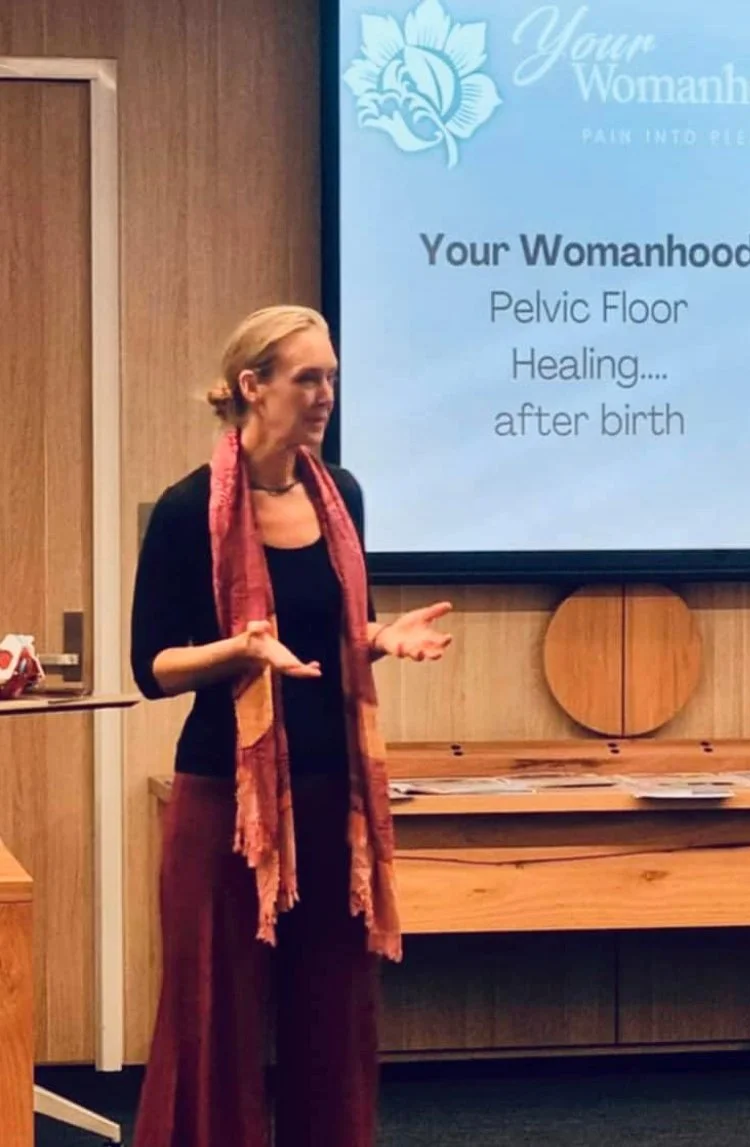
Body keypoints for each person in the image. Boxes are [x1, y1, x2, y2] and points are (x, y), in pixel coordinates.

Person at [129, 304, 452, 1147]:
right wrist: (238, 650)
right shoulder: (187, 509)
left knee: (332, 1020)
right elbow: (151, 667)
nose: (325, 395)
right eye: (308, 378)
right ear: (252, 386)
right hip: (226, 798)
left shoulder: (340, 496)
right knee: (215, 1021)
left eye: (332, 377)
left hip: (328, 792)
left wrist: (381, 638)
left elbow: (336, 633)